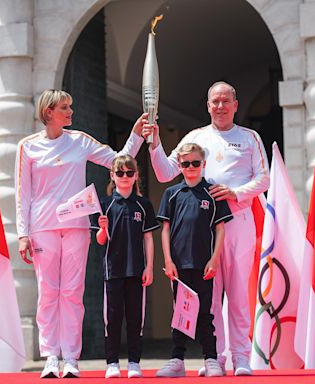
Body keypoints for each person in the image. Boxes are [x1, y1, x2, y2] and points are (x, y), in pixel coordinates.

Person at [15, 89, 147, 379]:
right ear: (49, 112)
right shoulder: (28, 147)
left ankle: (72, 358)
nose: (70, 111)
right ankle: (51, 356)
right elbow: (23, 193)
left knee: (72, 293)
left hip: (76, 226)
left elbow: (118, 161)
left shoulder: (80, 141)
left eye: (70, 106)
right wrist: (23, 234)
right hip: (43, 227)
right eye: (65, 107)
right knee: (48, 293)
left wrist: (136, 137)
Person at [143, 82, 269, 376]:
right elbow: (164, 172)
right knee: (208, 297)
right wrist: (155, 143)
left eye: (226, 101)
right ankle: (216, 357)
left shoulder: (249, 138)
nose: (221, 106)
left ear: (236, 105)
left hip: (237, 221)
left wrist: (236, 192)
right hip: (202, 228)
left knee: (237, 293)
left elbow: (264, 178)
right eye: (215, 101)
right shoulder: (195, 138)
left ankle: (241, 358)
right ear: (208, 105)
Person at [155, 143, 233, 378]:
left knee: (205, 314)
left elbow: (220, 229)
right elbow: (165, 230)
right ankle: (177, 360)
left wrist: (215, 259)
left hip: (203, 264)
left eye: (195, 163)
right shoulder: (172, 194)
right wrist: (168, 261)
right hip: (178, 266)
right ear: (179, 166)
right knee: (180, 313)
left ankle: (211, 359)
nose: (190, 167)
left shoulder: (213, 192)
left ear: (203, 164)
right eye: (186, 163)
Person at [90, 155, 159, 379]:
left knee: (135, 318)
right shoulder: (104, 204)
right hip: (113, 270)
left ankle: (134, 362)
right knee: (113, 317)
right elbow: (101, 240)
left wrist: (149, 267)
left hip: (137, 270)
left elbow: (148, 238)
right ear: (112, 176)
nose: (125, 177)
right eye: (120, 173)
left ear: (136, 175)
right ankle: (111, 362)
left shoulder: (144, 204)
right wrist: (102, 228)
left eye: (130, 173)